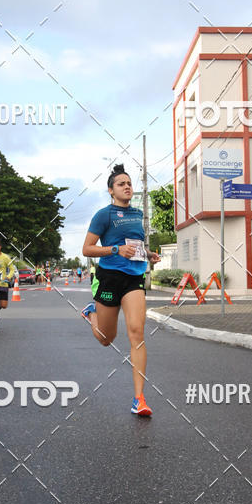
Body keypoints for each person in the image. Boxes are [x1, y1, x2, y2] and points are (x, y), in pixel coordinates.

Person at [81, 163, 161, 417]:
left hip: (134, 278)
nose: (127, 187)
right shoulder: (103, 215)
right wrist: (115, 250)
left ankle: (139, 398)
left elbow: (134, 245)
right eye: (121, 184)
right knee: (106, 339)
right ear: (111, 190)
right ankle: (91, 314)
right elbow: (87, 249)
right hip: (109, 277)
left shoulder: (137, 214)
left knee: (137, 331)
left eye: (129, 183)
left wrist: (149, 254)